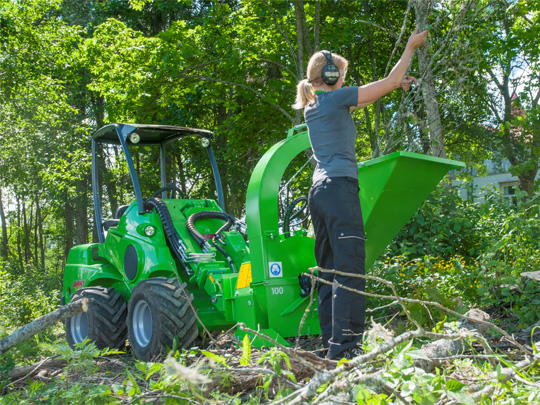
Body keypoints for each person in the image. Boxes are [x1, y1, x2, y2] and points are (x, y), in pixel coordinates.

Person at [293, 28, 428, 360]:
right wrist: (410, 47)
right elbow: (388, 81)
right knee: (350, 268)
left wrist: (397, 83)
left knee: (328, 271)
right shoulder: (335, 98)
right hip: (340, 189)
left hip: (319, 193)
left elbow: (388, 85)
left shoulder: (315, 104)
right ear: (330, 75)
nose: (344, 80)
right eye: (341, 74)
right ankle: (346, 350)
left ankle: (331, 345)